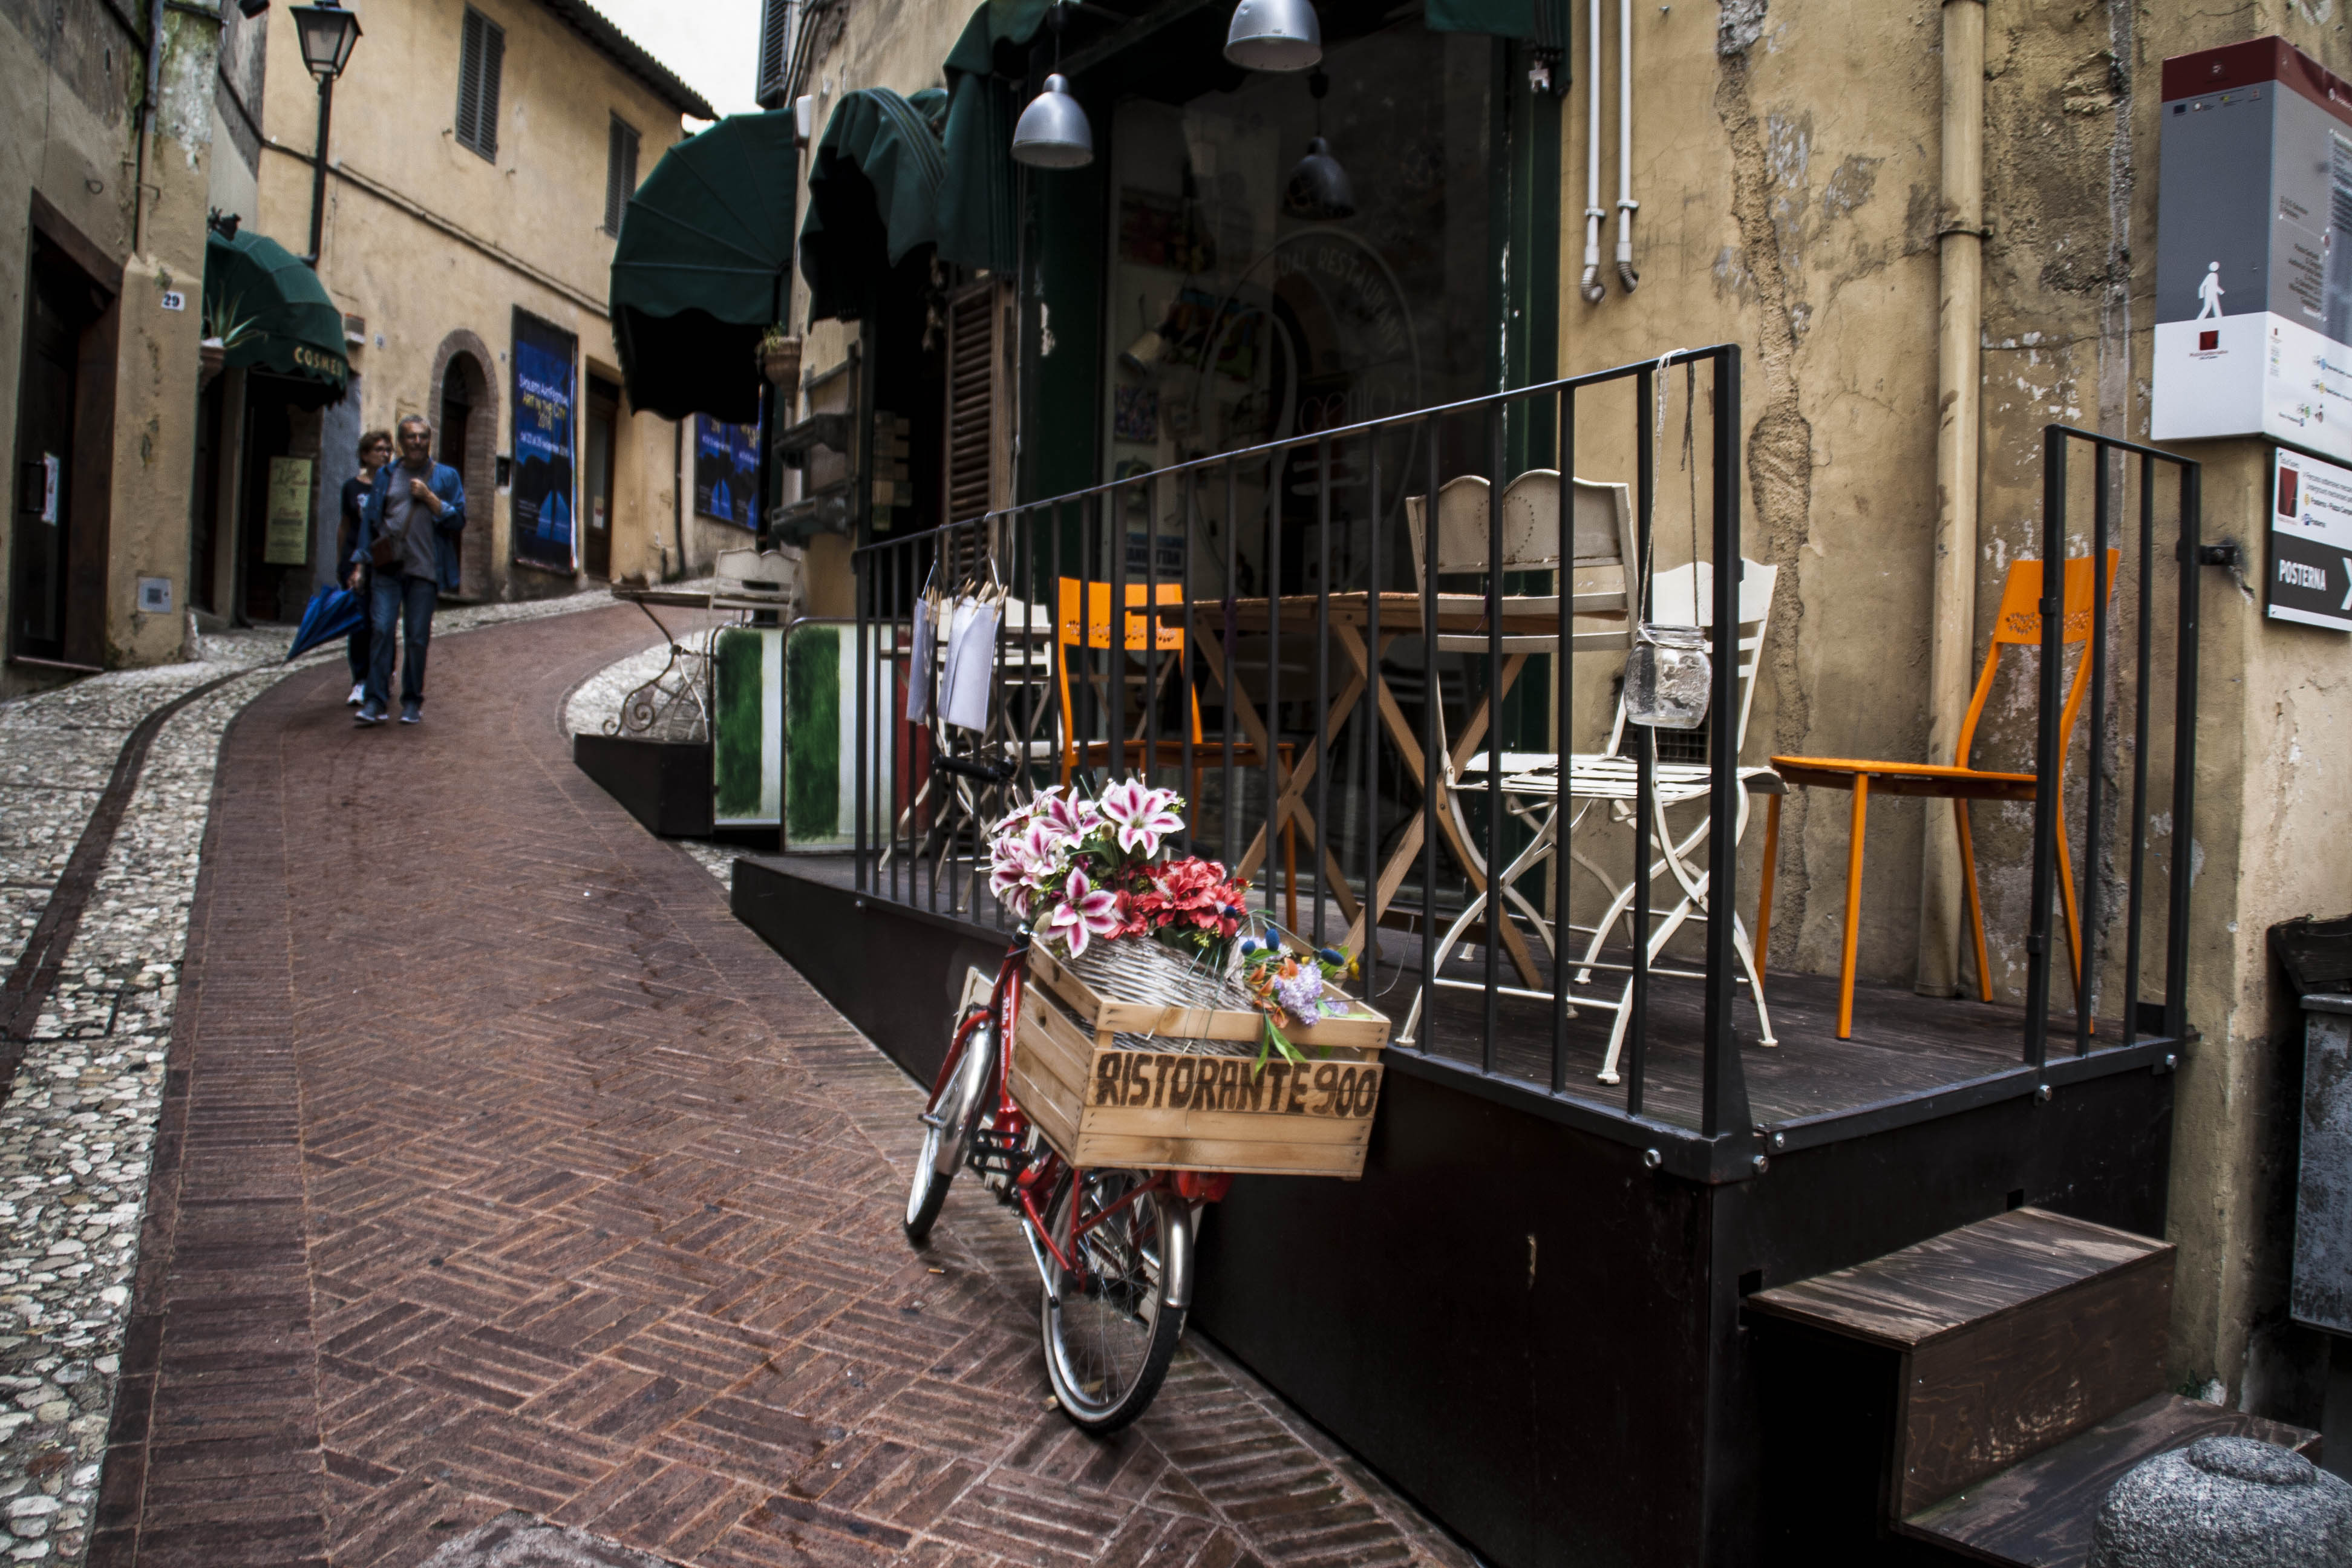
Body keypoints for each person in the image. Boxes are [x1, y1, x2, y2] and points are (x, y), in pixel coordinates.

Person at [352, 415, 465, 726]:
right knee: (381, 629)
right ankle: (376, 701)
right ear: (401, 443)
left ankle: (413, 700)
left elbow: (459, 520)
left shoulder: (446, 476)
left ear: (430, 440)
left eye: (423, 437)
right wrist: (361, 566)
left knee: (417, 638)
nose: (417, 442)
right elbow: (370, 524)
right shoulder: (386, 475)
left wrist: (431, 499)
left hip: (425, 571)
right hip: (388, 569)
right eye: (411, 437)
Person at [336, 430, 392, 706]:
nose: (385, 454)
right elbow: (345, 526)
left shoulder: (393, 486)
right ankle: (360, 680)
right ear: (365, 454)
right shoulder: (352, 488)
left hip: (383, 563)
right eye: (379, 449)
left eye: (388, 450)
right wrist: (343, 563)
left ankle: (382, 674)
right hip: (355, 563)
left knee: (383, 623)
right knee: (359, 623)